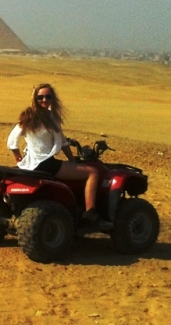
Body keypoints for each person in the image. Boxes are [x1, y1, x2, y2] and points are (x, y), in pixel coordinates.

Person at [7, 83, 110, 229]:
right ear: (35, 98)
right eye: (40, 97)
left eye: (48, 96)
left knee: (77, 169)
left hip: (34, 164)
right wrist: (18, 158)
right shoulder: (32, 116)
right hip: (46, 164)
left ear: (52, 98)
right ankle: (90, 214)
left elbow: (62, 142)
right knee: (92, 172)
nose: (44, 100)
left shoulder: (46, 117)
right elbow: (12, 141)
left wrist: (72, 160)